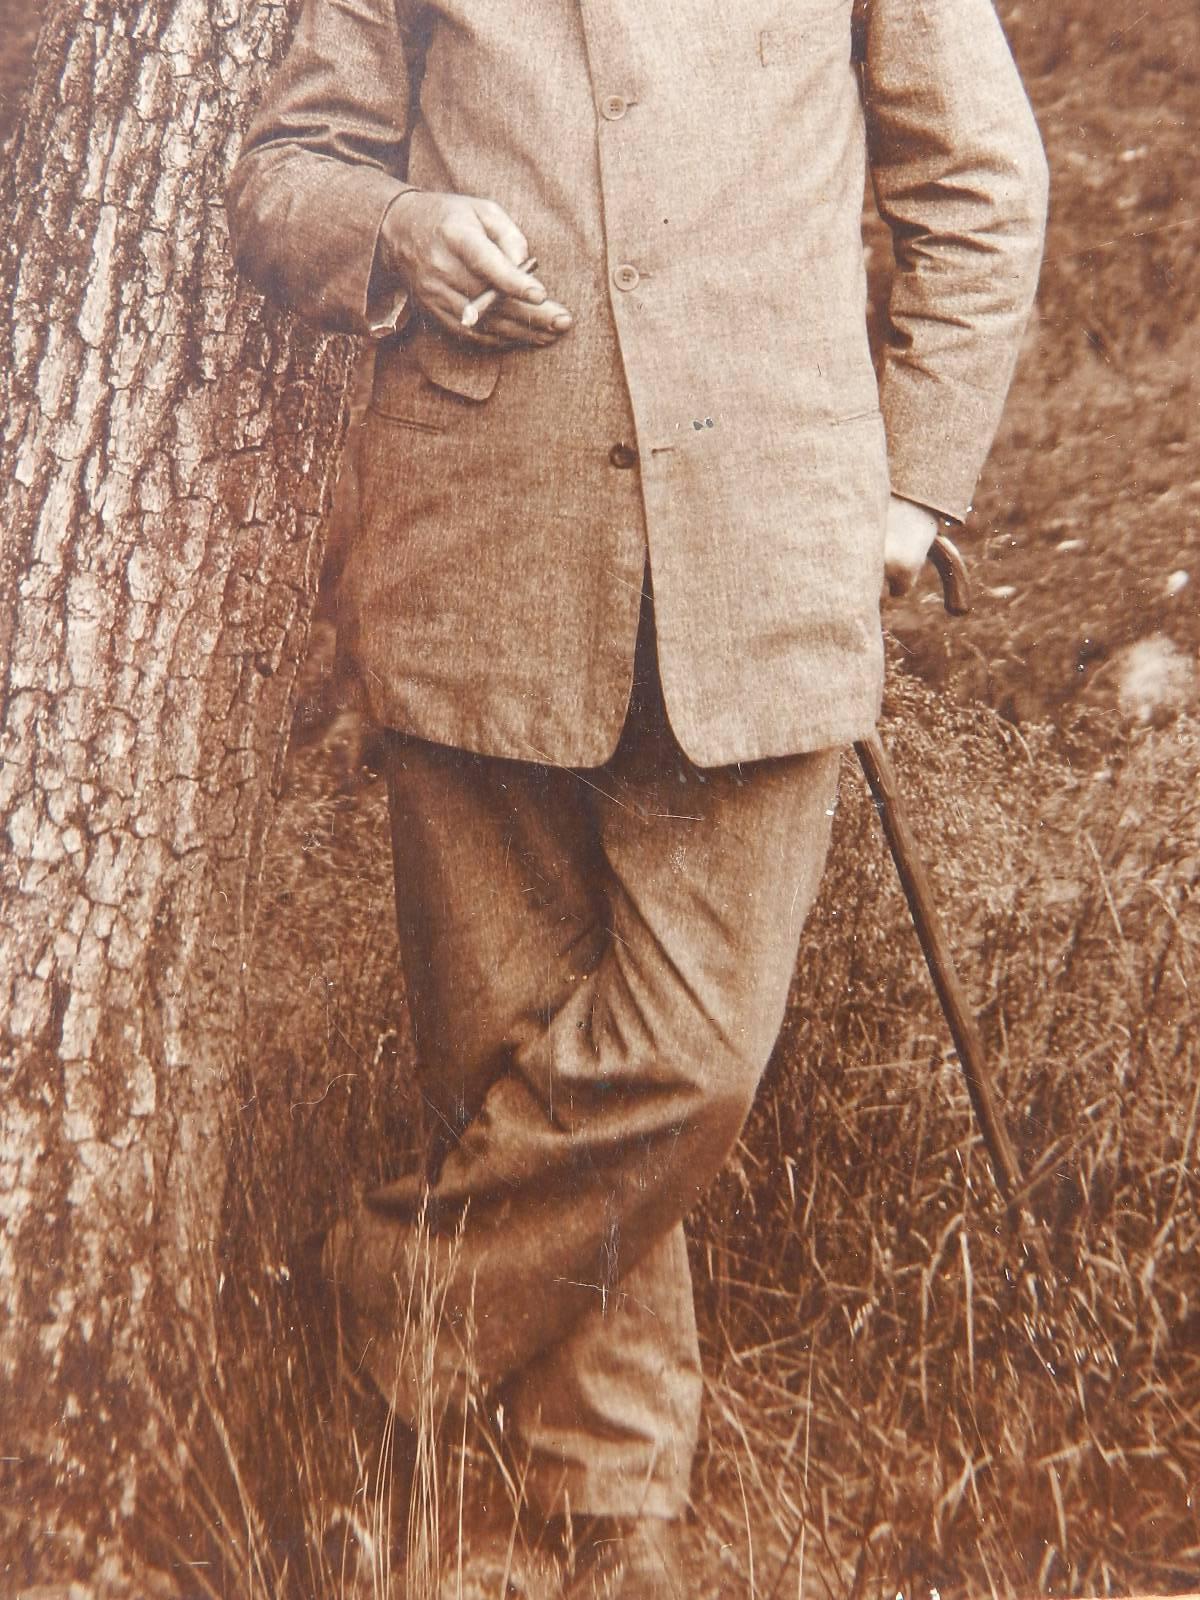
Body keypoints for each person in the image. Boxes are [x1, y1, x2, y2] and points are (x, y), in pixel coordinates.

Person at [228, 0, 1047, 1591]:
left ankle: (378, 1307)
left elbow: (978, 183)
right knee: (512, 1046)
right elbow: (284, 171)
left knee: (693, 1058)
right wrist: (398, 226)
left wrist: (913, 485)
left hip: (768, 544)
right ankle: (605, 1500)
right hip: (479, 542)